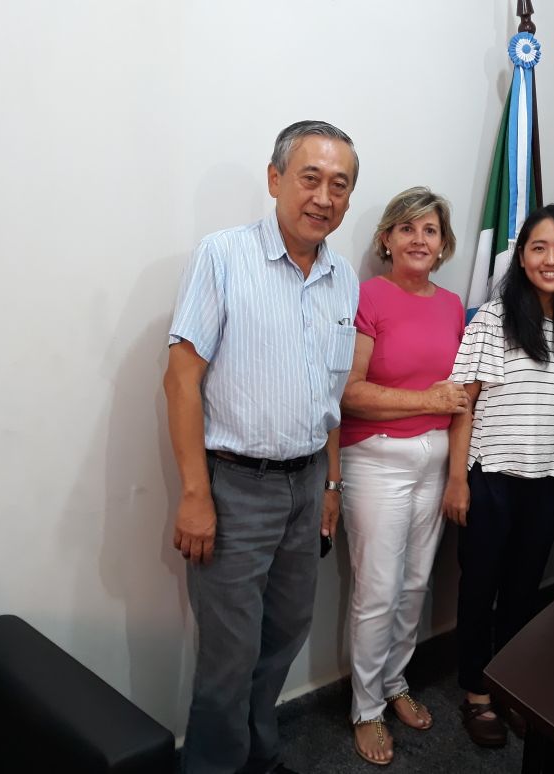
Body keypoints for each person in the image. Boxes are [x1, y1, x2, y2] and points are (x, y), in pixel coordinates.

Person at [164, 120, 360, 774]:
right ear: (276, 179)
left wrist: (330, 485)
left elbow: (331, 397)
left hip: (307, 488)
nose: (324, 197)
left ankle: (257, 753)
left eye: (340, 185)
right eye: (311, 178)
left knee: (283, 636)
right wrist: (195, 494)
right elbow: (182, 378)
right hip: (235, 489)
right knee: (228, 655)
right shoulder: (223, 256)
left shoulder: (343, 279)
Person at [444, 204, 554, 748]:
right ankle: (474, 691)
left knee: (520, 593)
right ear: (522, 256)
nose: (550, 259)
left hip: (544, 479)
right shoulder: (492, 318)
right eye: (539, 247)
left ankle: (506, 684)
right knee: (479, 587)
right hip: (490, 477)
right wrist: (458, 480)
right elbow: (463, 403)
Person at [338, 187, 467, 766]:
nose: (419, 240)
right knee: (377, 591)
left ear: (443, 245)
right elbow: (349, 394)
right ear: (386, 238)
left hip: (435, 457)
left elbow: (460, 399)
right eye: (408, 228)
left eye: (431, 231)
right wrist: (425, 397)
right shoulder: (367, 297)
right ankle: (364, 708)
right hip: (377, 460)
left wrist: (455, 464)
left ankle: (395, 683)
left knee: (416, 584)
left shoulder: (453, 306)